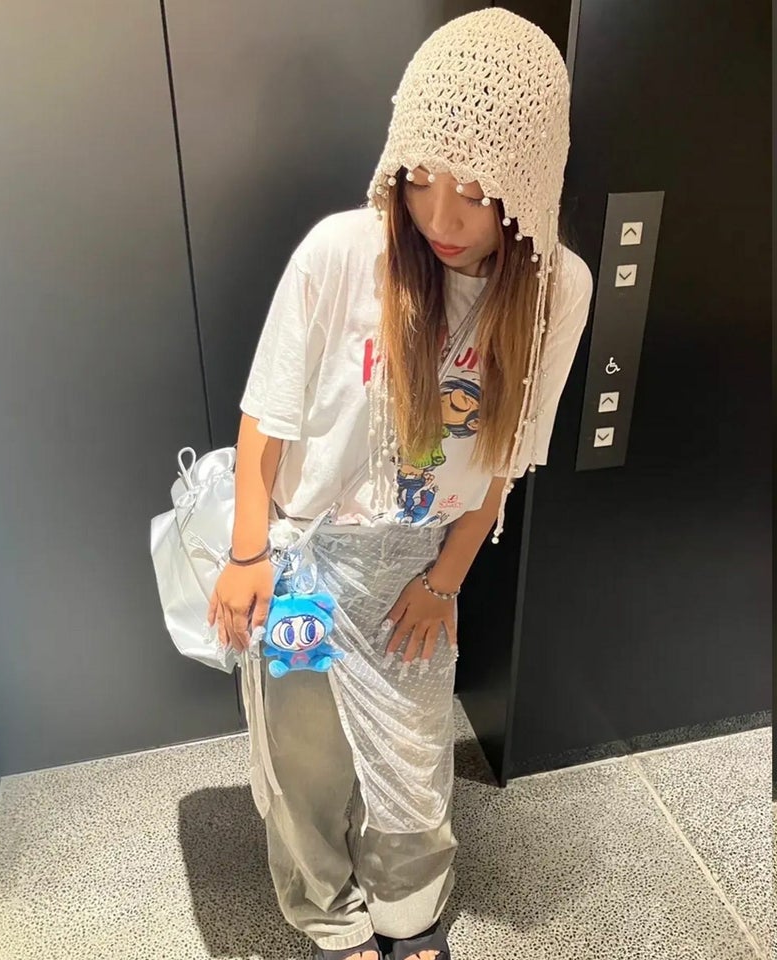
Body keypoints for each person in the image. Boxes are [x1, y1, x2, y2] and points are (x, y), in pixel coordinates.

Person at [207, 8, 593, 960]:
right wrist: (249, 554)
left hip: (419, 563)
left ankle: (409, 915)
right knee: (307, 761)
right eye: (421, 178)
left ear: (528, 182)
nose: (442, 219)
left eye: (477, 192)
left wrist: (445, 580)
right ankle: (327, 917)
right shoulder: (345, 252)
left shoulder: (557, 290)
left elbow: (505, 460)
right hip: (304, 560)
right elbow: (267, 418)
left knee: (416, 766)